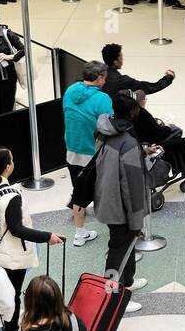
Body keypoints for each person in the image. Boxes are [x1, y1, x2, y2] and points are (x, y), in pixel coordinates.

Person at [0, 148, 63, 331]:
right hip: (10, 257)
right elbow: (17, 229)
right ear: (7, 168)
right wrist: (47, 237)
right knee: (12, 295)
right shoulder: (12, 195)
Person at [93, 91, 150, 299]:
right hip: (120, 208)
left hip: (107, 198)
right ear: (132, 112)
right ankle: (112, 295)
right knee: (118, 249)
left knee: (125, 245)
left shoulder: (104, 132)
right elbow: (132, 186)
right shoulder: (128, 143)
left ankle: (127, 282)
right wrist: (136, 220)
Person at [62, 61, 111, 248]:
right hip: (93, 152)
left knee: (79, 192)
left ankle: (80, 231)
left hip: (72, 149)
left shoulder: (70, 91)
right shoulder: (102, 99)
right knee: (101, 192)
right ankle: (85, 233)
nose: (105, 81)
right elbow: (109, 126)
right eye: (104, 78)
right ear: (99, 78)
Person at [102, 42, 173, 106]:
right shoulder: (122, 80)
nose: (122, 60)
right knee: (140, 95)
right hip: (115, 113)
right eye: (121, 57)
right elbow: (150, 87)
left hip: (99, 110)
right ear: (115, 62)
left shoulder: (99, 73)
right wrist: (168, 78)